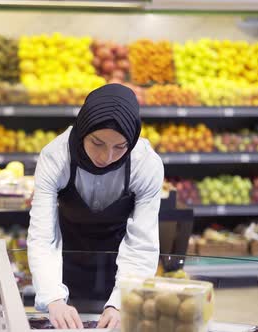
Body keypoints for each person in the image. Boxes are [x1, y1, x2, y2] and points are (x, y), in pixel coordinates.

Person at [27, 83, 164, 329]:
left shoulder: (146, 164)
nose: (106, 156)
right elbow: (42, 237)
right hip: (67, 262)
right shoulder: (55, 157)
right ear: (83, 130)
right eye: (97, 143)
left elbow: (142, 243)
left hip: (122, 267)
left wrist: (123, 301)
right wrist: (54, 299)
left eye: (120, 147)